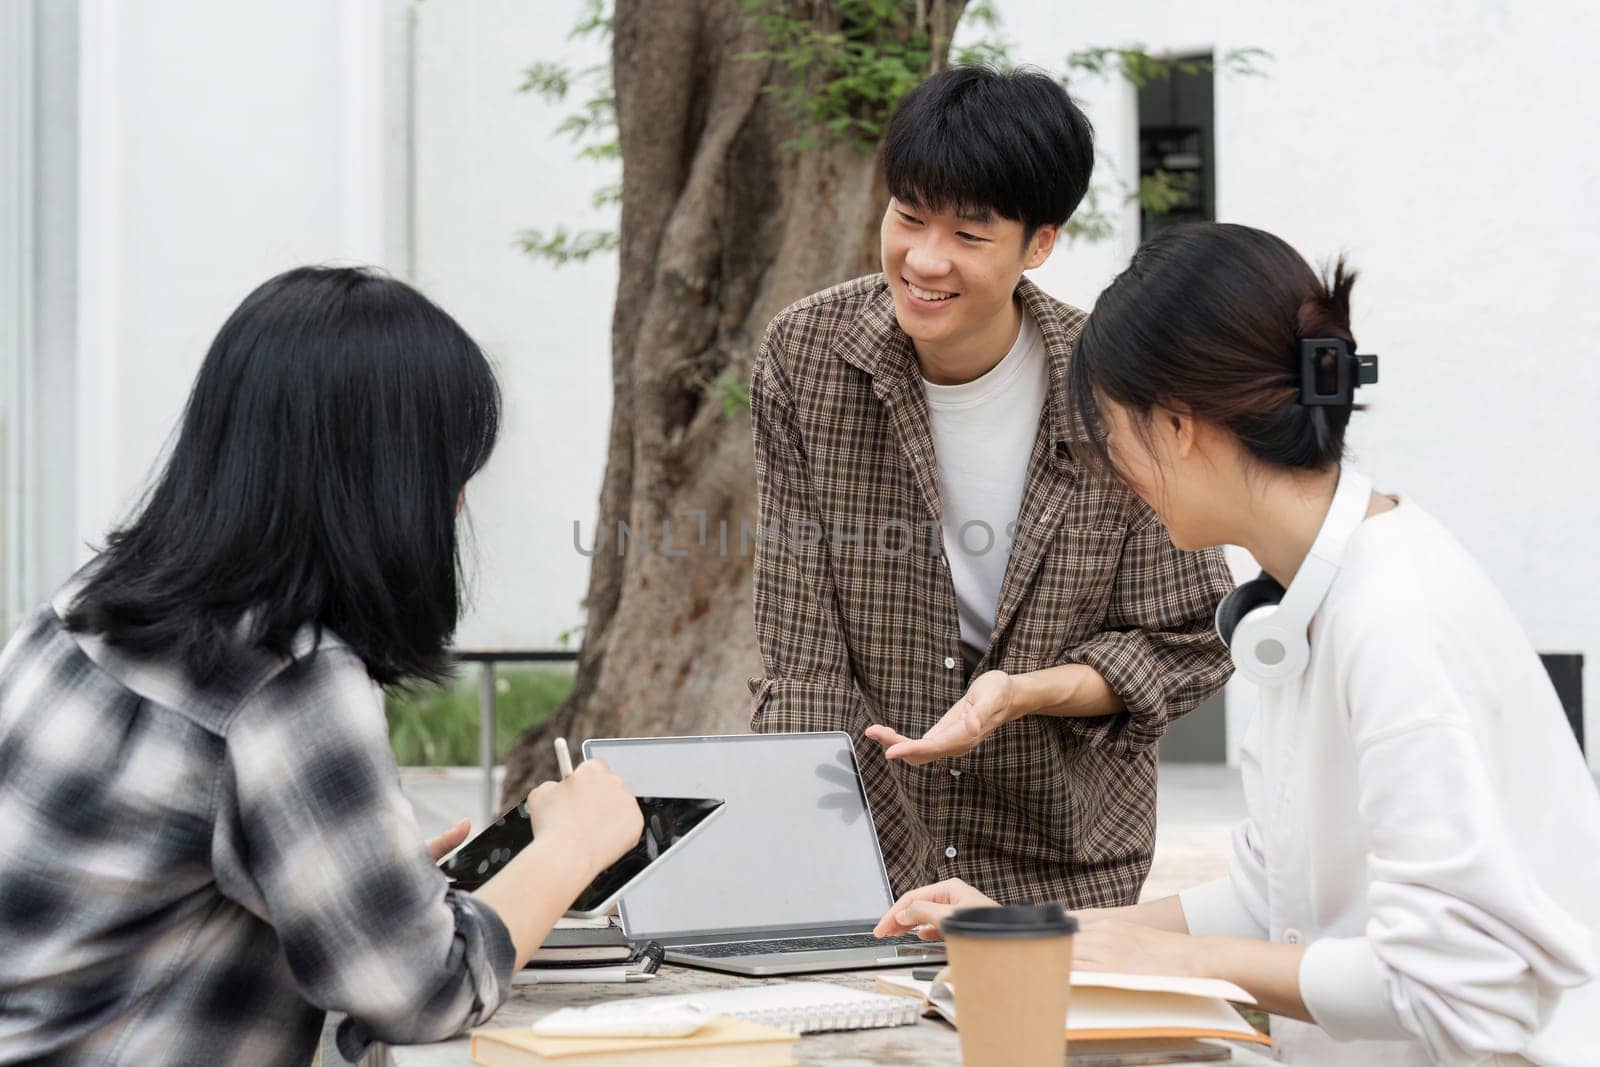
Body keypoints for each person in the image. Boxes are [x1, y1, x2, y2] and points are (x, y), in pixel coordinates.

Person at [873, 223, 1600, 1064]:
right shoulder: (1312, 593)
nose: (1114, 465)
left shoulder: (1396, 617)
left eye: (1110, 429)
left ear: (1177, 424)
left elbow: (1454, 980)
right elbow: (1269, 903)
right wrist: (1023, 932)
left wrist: (1179, 960)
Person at [0, 267, 644, 1065]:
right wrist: (571, 844)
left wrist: (363, 882)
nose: (456, 506)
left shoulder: (89, 607)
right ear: (385, 481)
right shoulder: (285, 675)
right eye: (448, 473)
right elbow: (424, 992)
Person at [749, 64, 1235, 906]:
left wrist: (1027, 694)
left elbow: (1191, 635)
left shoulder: (1115, 389)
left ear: (1038, 244)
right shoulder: (806, 359)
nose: (925, 259)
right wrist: (814, 869)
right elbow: (803, 651)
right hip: (865, 845)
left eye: (969, 237)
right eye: (908, 217)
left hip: (1060, 855)